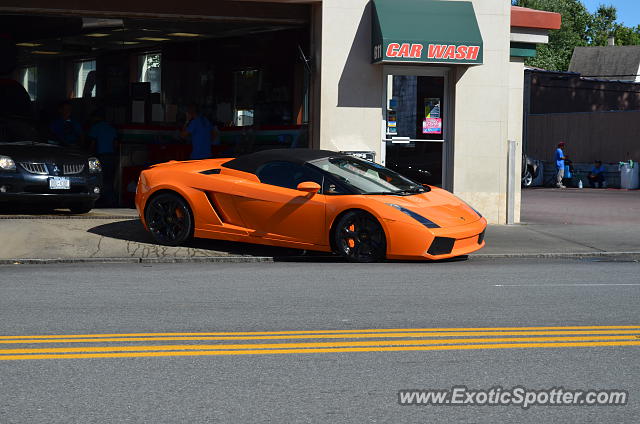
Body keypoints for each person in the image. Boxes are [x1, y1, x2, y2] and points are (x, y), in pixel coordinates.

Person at [88, 108, 118, 206]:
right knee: (109, 179)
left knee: (99, 178)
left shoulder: (95, 128)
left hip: (100, 157)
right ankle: (111, 200)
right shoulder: (111, 128)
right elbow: (115, 144)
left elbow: (92, 144)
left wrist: (89, 154)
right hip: (111, 157)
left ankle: (100, 200)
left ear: (96, 117)